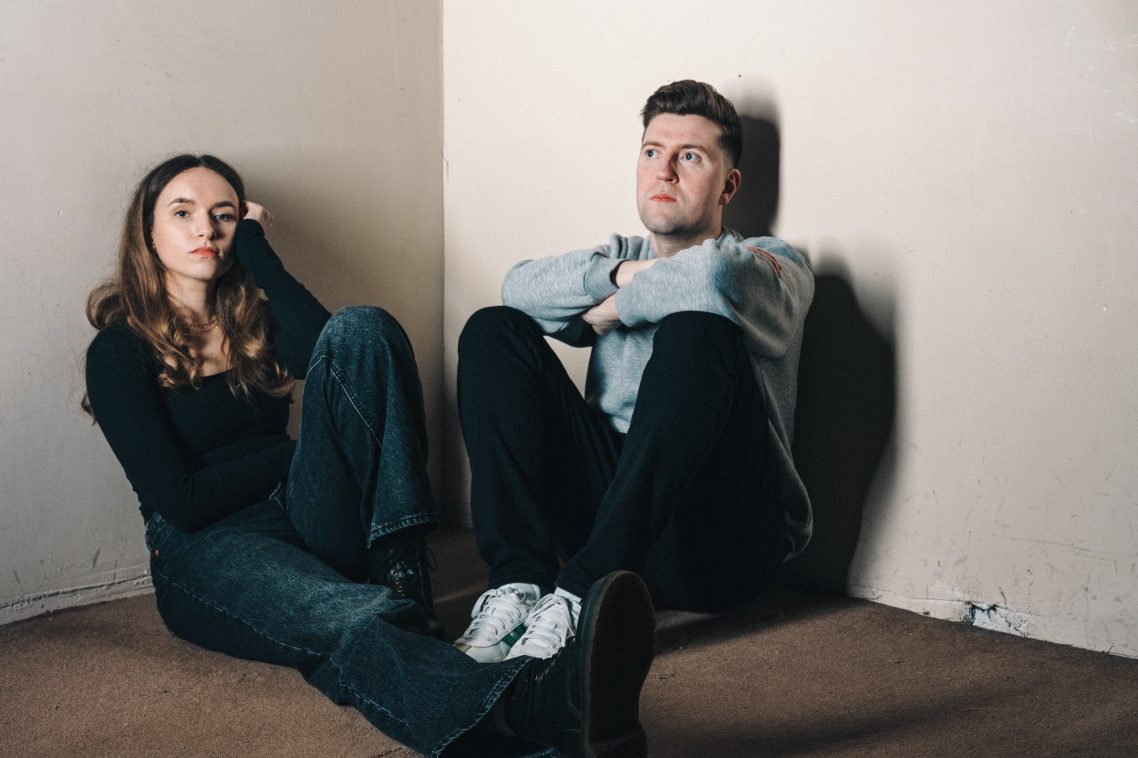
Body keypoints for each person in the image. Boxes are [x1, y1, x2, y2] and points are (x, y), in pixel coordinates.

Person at [83, 154, 656, 757]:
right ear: (147, 232)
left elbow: (342, 356)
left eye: (224, 216)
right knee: (347, 617)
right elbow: (184, 500)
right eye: (183, 213)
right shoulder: (120, 351)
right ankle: (532, 706)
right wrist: (293, 456)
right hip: (206, 545)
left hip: (306, 512)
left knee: (363, 326)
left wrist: (257, 248)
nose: (206, 230)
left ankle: (402, 565)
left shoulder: (255, 320)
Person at [454, 80, 815, 664]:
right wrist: (621, 276)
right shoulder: (619, 256)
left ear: (729, 184)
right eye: (652, 152)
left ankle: (580, 591)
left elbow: (711, 282)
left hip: (718, 546)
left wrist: (608, 312)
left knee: (698, 328)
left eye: (689, 156)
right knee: (493, 329)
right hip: (610, 519)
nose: (664, 172)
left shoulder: (771, 265)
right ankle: (519, 581)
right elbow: (515, 288)